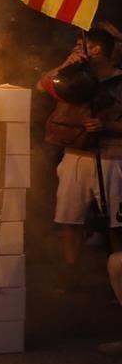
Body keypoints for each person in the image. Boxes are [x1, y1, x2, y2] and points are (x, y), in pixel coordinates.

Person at [38, 28, 122, 272]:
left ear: (95, 49)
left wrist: (106, 125)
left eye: (79, 47)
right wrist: (66, 64)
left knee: (116, 224)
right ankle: (71, 273)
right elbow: (43, 86)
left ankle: (117, 277)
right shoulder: (73, 76)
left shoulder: (119, 81)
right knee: (69, 219)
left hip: (112, 156)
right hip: (74, 154)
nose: (75, 51)